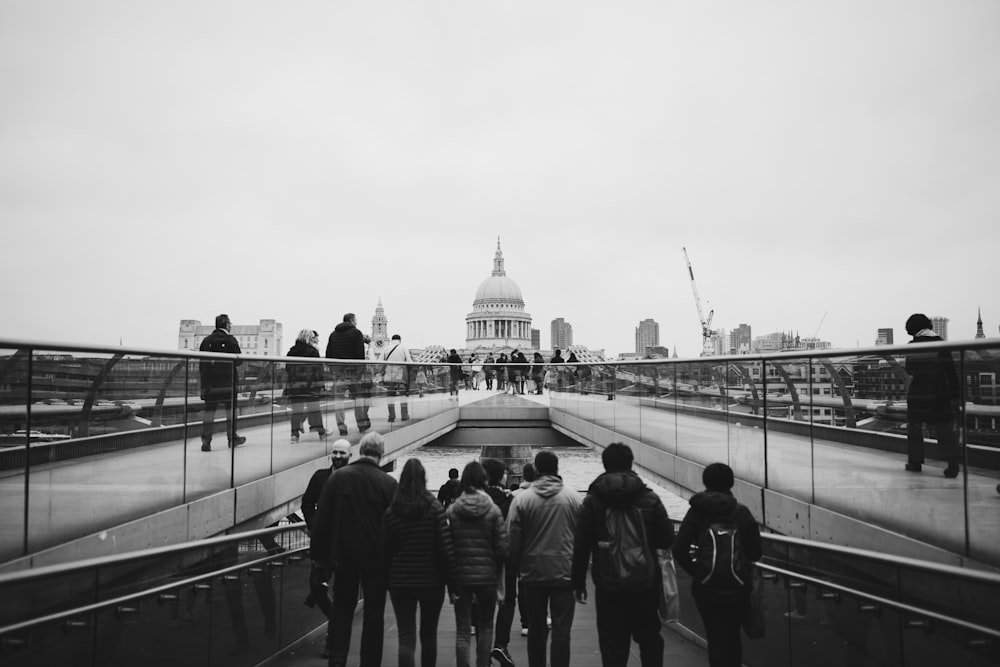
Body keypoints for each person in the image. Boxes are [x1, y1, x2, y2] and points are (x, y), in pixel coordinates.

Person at [572, 443, 675, 667]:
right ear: (631, 463)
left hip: (608, 583)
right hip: (645, 583)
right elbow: (667, 539)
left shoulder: (593, 501)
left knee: (612, 644)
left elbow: (581, 545)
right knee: (649, 639)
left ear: (605, 464)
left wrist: (578, 582)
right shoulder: (650, 499)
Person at [311, 432, 398, 667]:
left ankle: (337, 660)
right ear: (381, 454)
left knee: (342, 610)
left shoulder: (338, 479)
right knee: (373, 615)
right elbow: (395, 528)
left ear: (359, 452)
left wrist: (319, 557)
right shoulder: (389, 484)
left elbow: (322, 520)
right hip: (376, 560)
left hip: (344, 557)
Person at [672, 463, 763, 667]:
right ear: (731, 483)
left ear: (705, 482)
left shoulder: (697, 512)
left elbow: (679, 549)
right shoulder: (741, 512)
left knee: (715, 638)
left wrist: (698, 572)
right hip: (738, 587)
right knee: (733, 637)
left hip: (707, 589)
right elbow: (755, 552)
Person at [507, 450, 582, 667]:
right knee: (561, 631)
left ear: (536, 470)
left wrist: (518, 565)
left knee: (536, 628)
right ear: (557, 468)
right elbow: (583, 537)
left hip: (532, 574)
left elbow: (512, 539)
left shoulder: (523, 500)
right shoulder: (573, 498)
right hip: (565, 572)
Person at [382, 458, 456, 667]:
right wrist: (452, 585)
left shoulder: (391, 512)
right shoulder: (434, 509)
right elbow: (444, 548)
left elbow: (385, 551)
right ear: (424, 479)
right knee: (429, 635)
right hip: (431, 582)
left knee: (406, 636)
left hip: (400, 582)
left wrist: (387, 580)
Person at [447, 461, 509, 667]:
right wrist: (497, 574)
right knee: (486, 626)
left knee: (463, 629)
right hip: (487, 578)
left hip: (461, 577)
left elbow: (448, 548)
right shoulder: (493, 510)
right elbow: (501, 548)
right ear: (484, 481)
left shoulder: (453, 510)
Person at [301, 439, 352, 658]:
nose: (338, 456)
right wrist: (313, 525)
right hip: (322, 542)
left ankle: (333, 641)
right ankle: (335, 620)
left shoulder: (353, 478)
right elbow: (306, 503)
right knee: (317, 587)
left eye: (342, 453)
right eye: (335, 452)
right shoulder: (320, 477)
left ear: (349, 456)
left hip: (343, 546)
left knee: (337, 592)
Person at [904, 313, 962, 478]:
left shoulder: (913, 344)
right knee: (944, 428)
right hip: (940, 391)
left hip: (919, 391)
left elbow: (910, 369)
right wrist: (955, 393)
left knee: (915, 426)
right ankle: (952, 465)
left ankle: (915, 462)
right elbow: (950, 370)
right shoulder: (940, 343)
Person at [481, 459, 517, 667]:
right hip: (506, 558)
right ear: (501, 476)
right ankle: (501, 644)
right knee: (508, 600)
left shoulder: (477, 498)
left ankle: (483, 649)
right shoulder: (509, 499)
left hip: (480, 558)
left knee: (482, 604)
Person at [199, 313, 246, 452]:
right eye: (230, 323)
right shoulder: (231, 340)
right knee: (230, 412)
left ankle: (206, 441)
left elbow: (203, 365)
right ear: (226, 325)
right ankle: (232, 438)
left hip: (211, 383)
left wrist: (203, 386)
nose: (231, 326)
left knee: (209, 413)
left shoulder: (207, 340)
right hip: (228, 383)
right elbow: (239, 360)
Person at [325, 313, 372, 436]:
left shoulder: (333, 335)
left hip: (338, 373)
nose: (356, 322)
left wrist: (334, 370)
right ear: (351, 320)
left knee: (338, 400)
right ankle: (361, 425)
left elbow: (328, 355)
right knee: (358, 399)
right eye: (356, 320)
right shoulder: (356, 333)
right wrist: (359, 373)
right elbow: (360, 356)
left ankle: (342, 427)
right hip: (353, 373)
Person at [287, 329, 329, 443]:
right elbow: (318, 371)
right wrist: (321, 385)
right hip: (311, 386)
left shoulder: (291, 351)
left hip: (295, 386)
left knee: (296, 411)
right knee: (315, 409)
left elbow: (288, 369)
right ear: (308, 338)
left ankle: (294, 435)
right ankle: (321, 432)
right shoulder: (313, 352)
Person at [383, 333, 413, 423]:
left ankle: (391, 416)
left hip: (389, 375)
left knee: (390, 397)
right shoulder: (403, 347)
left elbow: (380, 362)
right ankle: (404, 415)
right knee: (403, 396)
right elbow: (409, 362)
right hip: (400, 376)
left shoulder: (386, 348)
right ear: (400, 340)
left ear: (392, 340)